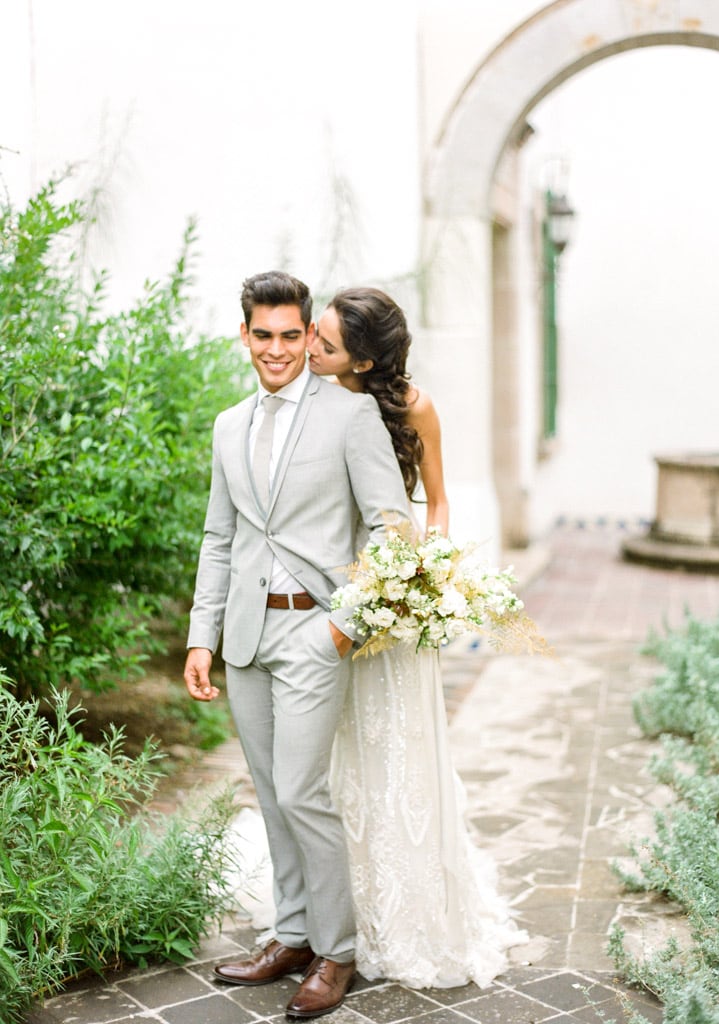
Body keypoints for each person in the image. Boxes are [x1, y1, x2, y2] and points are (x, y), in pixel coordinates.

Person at [184, 271, 411, 1020]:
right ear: (243, 336)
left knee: (303, 790)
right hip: (245, 634)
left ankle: (336, 951)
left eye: (291, 335)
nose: (276, 349)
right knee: (271, 796)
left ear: (308, 333)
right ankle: (290, 934)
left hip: (316, 627)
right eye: (263, 334)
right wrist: (201, 637)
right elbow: (219, 539)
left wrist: (345, 625)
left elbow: (392, 530)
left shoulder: (349, 417)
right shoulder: (226, 425)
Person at [307, 286, 528, 989]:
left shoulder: (412, 407)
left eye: (326, 343)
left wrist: (424, 578)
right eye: (314, 334)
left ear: (366, 360)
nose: (309, 349)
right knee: (339, 744)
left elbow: (436, 501)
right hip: (327, 585)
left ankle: (404, 909)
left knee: (396, 746)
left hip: (392, 587)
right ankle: (339, 906)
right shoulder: (309, 401)